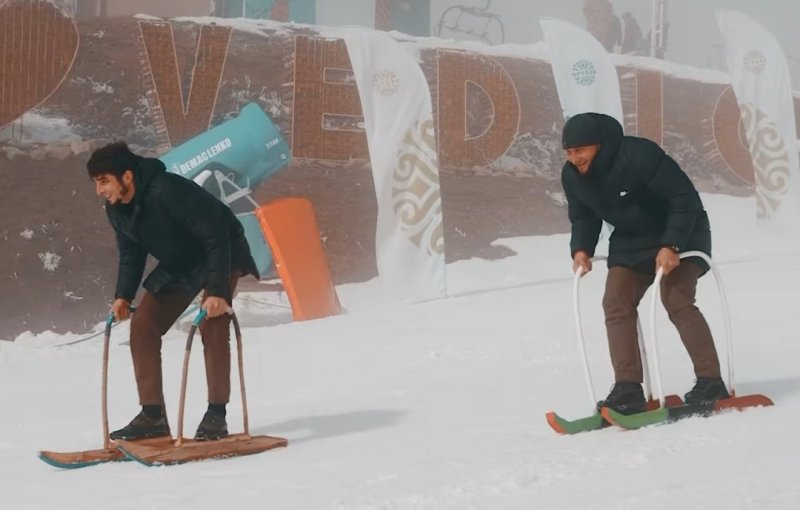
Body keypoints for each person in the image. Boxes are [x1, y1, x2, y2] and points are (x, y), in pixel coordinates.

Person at [87, 142, 259, 440]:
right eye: (96, 183)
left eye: (104, 181)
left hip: (222, 251)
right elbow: (131, 253)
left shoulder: (168, 190)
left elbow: (216, 236)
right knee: (143, 326)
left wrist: (217, 291)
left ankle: (216, 415)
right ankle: (153, 417)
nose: (99, 190)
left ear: (126, 176)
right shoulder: (116, 209)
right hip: (181, 262)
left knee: (211, 321)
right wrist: (123, 296)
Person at [560, 112, 730, 415]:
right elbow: (584, 216)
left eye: (581, 150)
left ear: (600, 146)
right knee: (615, 301)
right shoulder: (572, 175)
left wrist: (671, 245)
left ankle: (710, 380)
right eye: (569, 152)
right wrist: (581, 249)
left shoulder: (639, 155)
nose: (575, 158)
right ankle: (628, 388)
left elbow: (683, 199)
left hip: (683, 232)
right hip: (631, 241)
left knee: (675, 298)